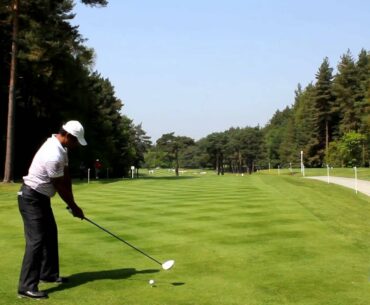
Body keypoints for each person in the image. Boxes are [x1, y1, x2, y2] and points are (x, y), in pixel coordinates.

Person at [17, 120, 87, 299]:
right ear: (67, 136)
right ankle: (26, 286)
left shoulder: (61, 148)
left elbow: (66, 178)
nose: (76, 145)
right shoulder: (53, 154)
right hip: (31, 198)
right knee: (36, 241)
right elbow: (59, 186)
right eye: (75, 141)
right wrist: (74, 207)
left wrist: (73, 202)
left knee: (50, 233)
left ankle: (48, 274)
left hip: (41, 198)